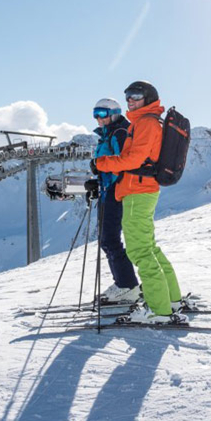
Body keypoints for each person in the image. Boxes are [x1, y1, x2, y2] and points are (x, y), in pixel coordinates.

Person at [92, 81, 187, 324]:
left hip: (137, 190)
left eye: (136, 95)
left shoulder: (145, 122)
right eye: (127, 96)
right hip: (142, 189)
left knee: (141, 251)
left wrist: (101, 164)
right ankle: (171, 300)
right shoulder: (146, 121)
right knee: (150, 248)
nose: (130, 100)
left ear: (149, 97)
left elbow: (133, 158)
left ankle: (158, 309)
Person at [90, 97, 141, 304]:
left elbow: (123, 162)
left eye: (102, 114)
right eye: (95, 115)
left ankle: (127, 285)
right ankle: (123, 283)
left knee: (110, 239)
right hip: (107, 190)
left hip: (116, 191)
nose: (98, 119)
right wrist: (97, 180)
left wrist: (100, 167)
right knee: (106, 240)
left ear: (114, 113)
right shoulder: (107, 134)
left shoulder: (119, 132)